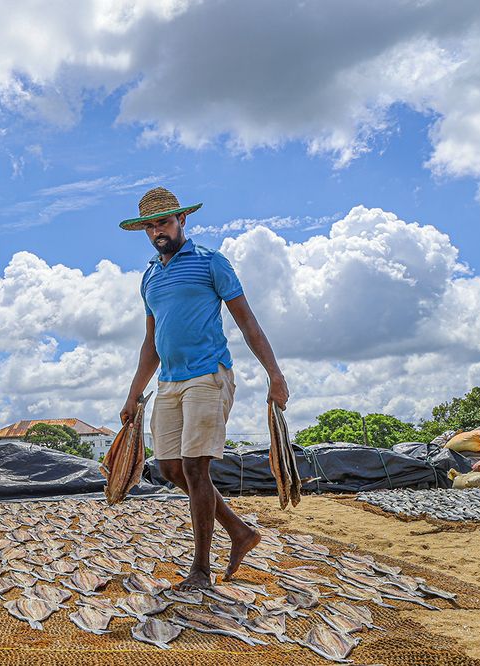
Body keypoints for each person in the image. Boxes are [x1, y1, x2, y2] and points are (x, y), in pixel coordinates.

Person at [119, 186, 289, 589]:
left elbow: (247, 321)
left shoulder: (211, 263)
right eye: (150, 225)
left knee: (196, 466)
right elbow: (151, 344)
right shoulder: (149, 278)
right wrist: (132, 394)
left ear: (182, 221)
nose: (157, 230)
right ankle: (240, 532)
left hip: (208, 376)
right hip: (169, 382)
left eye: (164, 221)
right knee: (169, 468)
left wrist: (275, 374)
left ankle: (200, 570)